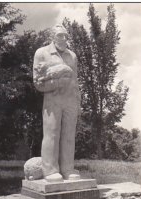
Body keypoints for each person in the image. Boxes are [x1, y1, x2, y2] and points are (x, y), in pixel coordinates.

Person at [33, 24, 81, 182]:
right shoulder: (42, 53)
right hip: (53, 100)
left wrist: (77, 100)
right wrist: (58, 82)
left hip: (70, 100)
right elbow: (38, 83)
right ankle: (50, 170)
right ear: (52, 37)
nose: (64, 39)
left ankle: (68, 169)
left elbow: (74, 81)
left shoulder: (72, 56)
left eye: (66, 36)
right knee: (52, 134)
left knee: (68, 136)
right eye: (60, 35)